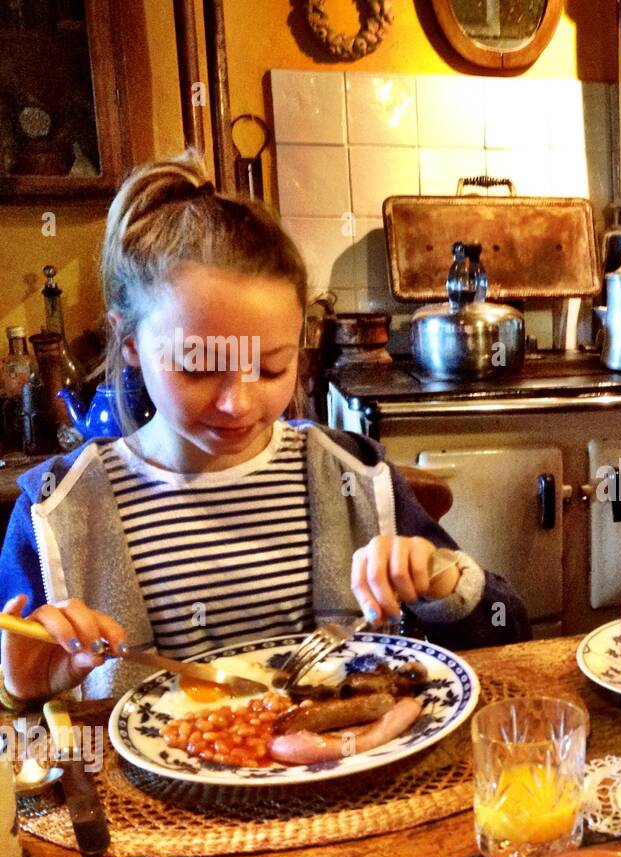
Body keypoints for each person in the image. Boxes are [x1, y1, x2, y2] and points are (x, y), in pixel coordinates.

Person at [0, 152, 528, 708]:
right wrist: (19, 691)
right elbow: (28, 745)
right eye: (199, 367)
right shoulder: (60, 509)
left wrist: (440, 582)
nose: (238, 402)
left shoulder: (352, 475)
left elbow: (507, 632)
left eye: (273, 367)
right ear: (129, 343)